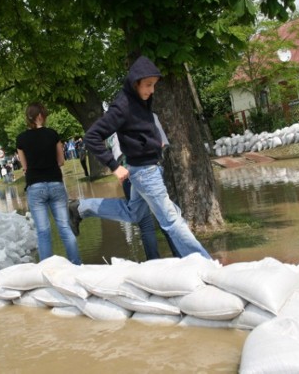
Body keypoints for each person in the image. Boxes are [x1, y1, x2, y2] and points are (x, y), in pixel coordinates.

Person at [68, 56, 211, 259]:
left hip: (146, 168)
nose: (152, 90)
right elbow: (92, 137)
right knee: (172, 220)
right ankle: (204, 263)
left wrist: (154, 143)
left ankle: (80, 208)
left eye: (154, 85)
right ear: (135, 82)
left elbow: (140, 129)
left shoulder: (141, 100)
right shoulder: (122, 105)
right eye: (148, 85)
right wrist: (114, 166)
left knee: (133, 213)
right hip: (144, 172)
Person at [16, 103, 81, 265]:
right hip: (55, 184)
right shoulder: (52, 134)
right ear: (40, 116)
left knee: (43, 231)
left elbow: (24, 167)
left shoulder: (21, 139)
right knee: (65, 228)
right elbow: (61, 161)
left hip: (35, 187)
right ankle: (77, 265)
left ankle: (46, 270)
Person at [107, 119, 180, 260]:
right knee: (165, 218)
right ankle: (179, 257)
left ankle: (154, 263)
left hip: (128, 174)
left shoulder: (115, 121)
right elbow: (162, 144)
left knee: (145, 225)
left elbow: (116, 154)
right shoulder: (150, 116)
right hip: (151, 171)